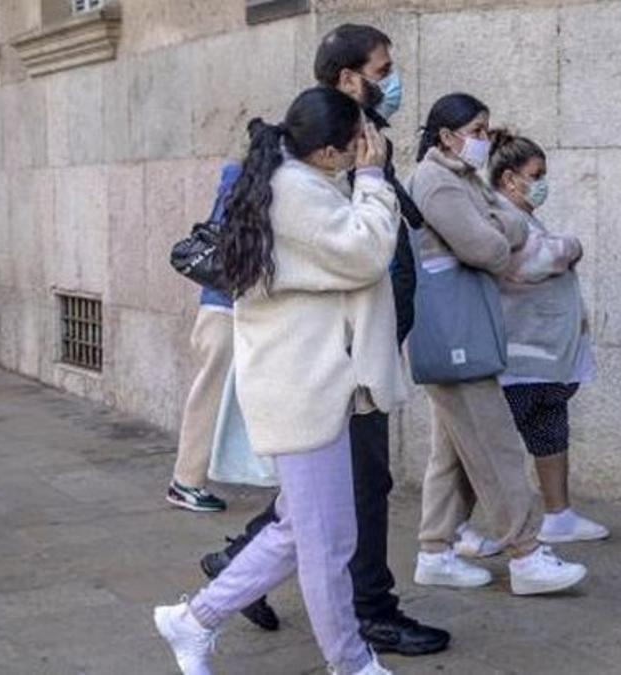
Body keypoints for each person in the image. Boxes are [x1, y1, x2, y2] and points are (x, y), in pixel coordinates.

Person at [198, 24, 450, 655]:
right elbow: (361, 252)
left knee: (312, 517)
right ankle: (360, 633)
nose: (394, 80)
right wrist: (371, 177)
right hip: (325, 374)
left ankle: (216, 595)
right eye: (383, 68)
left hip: (347, 365)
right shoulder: (317, 170)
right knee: (338, 515)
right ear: (348, 79)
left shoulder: (335, 157)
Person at [153, 87, 402, 675]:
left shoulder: (302, 182)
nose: (366, 148)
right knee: (326, 543)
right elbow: (366, 251)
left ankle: (193, 621)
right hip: (301, 390)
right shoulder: (296, 192)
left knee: (302, 529)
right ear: (328, 152)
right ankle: (351, 663)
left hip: (312, 384)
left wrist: (358, 176)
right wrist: (372, 178)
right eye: (356, 143)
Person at [406, 93, 587, 596]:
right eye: (478, 130)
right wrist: (495, 232)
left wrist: (496, 229)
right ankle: (526, 555)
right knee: (495, 445)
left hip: (467, 325)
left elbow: (506, 222)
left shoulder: (459, 179)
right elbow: (488, 245)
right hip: (454, 329)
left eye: (485, 131)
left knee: (453, 452)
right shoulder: (436, 182)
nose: (485, 140)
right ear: (447, 136)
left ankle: (435, 551)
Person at [454, 131, 607, 557]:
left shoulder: (527, 217)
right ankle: (455, 526)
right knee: (487, 449)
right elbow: (530, 262)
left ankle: (559, 514)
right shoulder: (498, 217)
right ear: (508, 180)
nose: (543, 183)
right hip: (516, 358)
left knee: (550, 430)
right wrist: (571, 246)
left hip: (546, 360)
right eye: (535, 175)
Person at [164, 163, 240, 513]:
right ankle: (186, 481)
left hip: (225, 306)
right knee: (210, 392)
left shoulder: (241, 174)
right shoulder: (241, 177)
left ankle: (189, 480)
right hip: (224, 308)